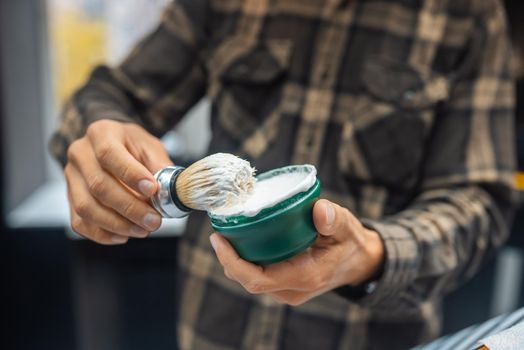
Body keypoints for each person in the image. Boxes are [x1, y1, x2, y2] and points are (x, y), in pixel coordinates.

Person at [50, 0, 518, 349]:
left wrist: (373, 253)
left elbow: (478, 201)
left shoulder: (469, 16)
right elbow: (111, 95)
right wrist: (99, 141)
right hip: (210, 332)